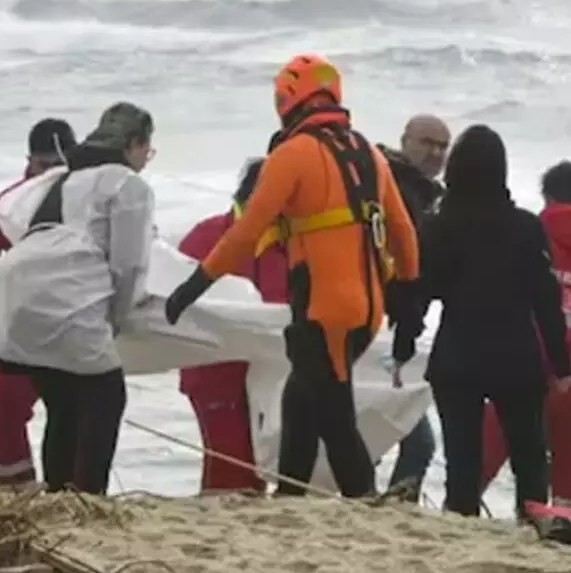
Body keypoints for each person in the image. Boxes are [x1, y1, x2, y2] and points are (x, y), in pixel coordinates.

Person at [165, 54, 421, 499]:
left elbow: (247, 232)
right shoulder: (368, 154)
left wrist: (194, 285)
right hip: (367, 310)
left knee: (335, 418)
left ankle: (365, 504)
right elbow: (402, 233)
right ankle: (289, 497)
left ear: (289, 99)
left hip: (326, 309)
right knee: (299, 399)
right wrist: (409, 302)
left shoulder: (293, 153)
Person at [0, 102, 157, 495]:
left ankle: (58, 494)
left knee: (64, 405)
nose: (145, 161)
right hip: (70, 306)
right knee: (106, 395)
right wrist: (115, 319)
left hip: (19, 303)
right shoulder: (128, 185)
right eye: (146, 151)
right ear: (133, 144)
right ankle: (89, 497)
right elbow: (129, 266)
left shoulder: (63, 179)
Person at [408, 125, 571, 517]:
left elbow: (420, 293)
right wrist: (561, 363)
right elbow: (546, 299)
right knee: (530, 458)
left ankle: (461, 519)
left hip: (457, 354)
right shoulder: (526, 227)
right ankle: (533, 527)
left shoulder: (438, 226)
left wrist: (402, 344)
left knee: (462, 461)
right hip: (515, 354)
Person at [481, 160, 571, 506]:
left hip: (524, 364)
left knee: (478, 466)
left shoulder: (526, 240)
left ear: (547, 198)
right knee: (570, 490)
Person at [0, 118, 77, 491]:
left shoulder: (88, 201)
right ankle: (15, 485)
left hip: (72, 321)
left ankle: (70, 486)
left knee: (78, 407)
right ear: (29, 162)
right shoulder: (5, 207)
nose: (51, 175)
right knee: (1, 392)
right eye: (43, 166)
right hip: (16, 325)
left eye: (59, 166)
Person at [175, 158, 286, 494]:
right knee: (231, 469)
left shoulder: (290, 240)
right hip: (215, 371)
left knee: (264, 464)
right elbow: (179, 302)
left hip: (273, 372)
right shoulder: (208, 236)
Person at [378, 114, 450, 502]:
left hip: (398, 330)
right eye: (427, 142)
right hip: (376, 323)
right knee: (412, 436)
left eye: (443, 147)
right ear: (405, 140)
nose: (435, 153)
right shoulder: (391, 184)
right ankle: (386, 506)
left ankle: (385, 504)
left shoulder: (428, 194)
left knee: (401, 430)